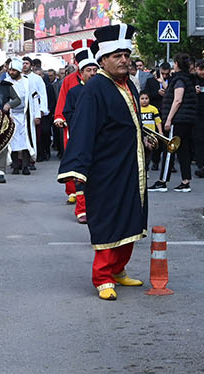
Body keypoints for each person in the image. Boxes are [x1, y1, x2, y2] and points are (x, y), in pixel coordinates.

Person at [57, 24, 151, 298]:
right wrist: (78, 169)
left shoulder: (129, 85)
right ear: (103, 60)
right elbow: (84, 129)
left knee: (131, 218)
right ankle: (102, 277)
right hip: (106, 169)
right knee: (109, 219)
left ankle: (119, 270)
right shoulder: (95, 88)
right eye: (117, 56)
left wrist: (145, 138)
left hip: (131, 166)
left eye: (126, 54)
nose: (124, 60)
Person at [53, 40, 93, 209]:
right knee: (73, 157)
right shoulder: (69, 80)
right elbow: (63, 100)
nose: (92, 72)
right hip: (73, 126)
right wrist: (59, 116)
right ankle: (72, 191)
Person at [160, 53, 197, 192]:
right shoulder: (188, 79)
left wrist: (169, 119)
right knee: (183, 150)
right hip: (186, 120)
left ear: (176, 63)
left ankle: (162, 181)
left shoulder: (180, 79)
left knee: (170, 149)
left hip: (178, 119)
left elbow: (178, 100)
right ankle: (185, 181)